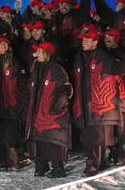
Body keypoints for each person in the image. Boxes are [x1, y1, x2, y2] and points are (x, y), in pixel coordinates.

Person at [70, 30, 125, 175]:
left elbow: (123, 69)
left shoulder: (104, 57)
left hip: (99, 106)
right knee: (93, 137)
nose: (83, 42)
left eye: (87, 40)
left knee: (93, 138)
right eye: (83, 40)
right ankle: (102, 163)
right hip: (83, 106)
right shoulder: (78, 58)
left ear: (95, 42)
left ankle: (93, 165)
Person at [24, 42, 72, 179]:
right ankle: (41, 166)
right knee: (39, 141)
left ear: (46, 53)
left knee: (53, 142)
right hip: (37, 114)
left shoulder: (56, 69)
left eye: (39, 51)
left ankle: (57, 168)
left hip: (51, 114)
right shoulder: (36, 69)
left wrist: (57, 107)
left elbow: (65, 89)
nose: (36, 54)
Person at [0, 35, 28, 170]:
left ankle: (14, 162)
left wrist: (21, 103)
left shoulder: (15, 62)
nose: (2, 46)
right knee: (1, 134)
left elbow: (23, 85)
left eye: (5, 44)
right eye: (0, 44)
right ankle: (4, 161)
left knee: (11, 136)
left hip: (12, 105)